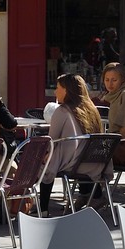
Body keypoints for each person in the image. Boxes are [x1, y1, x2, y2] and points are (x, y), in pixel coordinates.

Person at [42, 73, 103, 215]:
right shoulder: (93, 110)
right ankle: (93, 196)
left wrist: (44, 155)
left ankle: (43, 208)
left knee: (43, 164)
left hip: (74, 163)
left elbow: (52, 140)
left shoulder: (62, 111)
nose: (55, 91)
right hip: (95, 162)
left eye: (58, 88)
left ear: (67, 90)